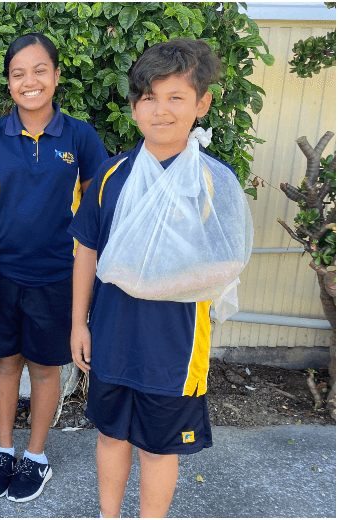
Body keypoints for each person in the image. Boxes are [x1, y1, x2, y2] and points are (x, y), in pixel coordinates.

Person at [69, 38, 225, 517]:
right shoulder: (109, 178)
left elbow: (222, 265)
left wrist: (156, 279)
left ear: (201, 103)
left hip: (174, 345)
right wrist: (79, 323)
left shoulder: (213, 183)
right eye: (148, 97)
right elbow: (87, 252)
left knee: (160, 447)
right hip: (113, 334)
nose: (161, 110)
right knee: (112, 434)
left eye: (176, 97)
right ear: (134, 107)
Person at [0, 33, 109, 503]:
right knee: (5, 364)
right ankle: (4, 449)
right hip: (2, 277)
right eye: (18, 73)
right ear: (8, 82)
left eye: (39, 70)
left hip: (57, 277)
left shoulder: (79, 136)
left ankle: (36, 456)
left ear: (55, 75)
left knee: (46, 369)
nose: (29, 81)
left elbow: (96, 212)